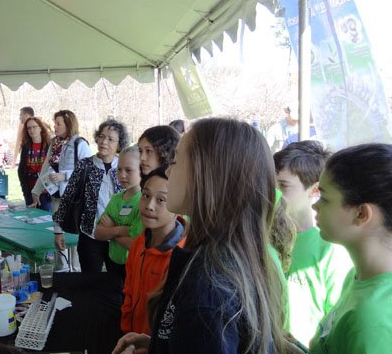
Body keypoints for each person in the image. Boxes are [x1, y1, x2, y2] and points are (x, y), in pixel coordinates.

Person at [113, 118, 286, 354]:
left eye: (175, 160)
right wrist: (161, 345)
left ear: (207, 176)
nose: (169, 170)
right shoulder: (220, 262)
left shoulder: (208, 292)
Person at [308, 143, 392, 352]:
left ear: (361, 214)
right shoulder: (357, 276)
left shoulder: (374, 318)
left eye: (324, 198)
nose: (314, 205)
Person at [274, 140, 353, 346]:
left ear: (315, 191)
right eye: (271, 184)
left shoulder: (331, 249)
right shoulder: (263, 238)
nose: (273, 192)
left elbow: (335, 321)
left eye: (283, 185)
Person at [53, 118, 129, 273]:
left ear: (119, 144)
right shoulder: (85, 165)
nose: (104, 142)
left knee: (118, 284)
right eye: (101, 136)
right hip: (90, 237)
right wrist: (58, 231)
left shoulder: (125, 167)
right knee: (90, 283)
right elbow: (67, 198)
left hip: (119, 239)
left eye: (110, 139)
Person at [120, 167, 186, 335]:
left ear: (178, 206)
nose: (149, 206)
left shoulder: (181, 259)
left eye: (161, 200)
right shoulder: (138, 244)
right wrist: (126, 329)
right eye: (146, 196)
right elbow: (128, 291)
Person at [30, 110, 91, 270]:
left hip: (75, 199)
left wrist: (64, 176)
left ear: (68, 124)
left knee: (75, 236)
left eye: (59, 124)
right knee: (58, 234)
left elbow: (87, 170)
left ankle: (76, 270)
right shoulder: (54, 143)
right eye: (54, 123)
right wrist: (36, 190)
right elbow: (46, 167)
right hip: (57, 197)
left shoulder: (80, 144)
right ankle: (62, 269)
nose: (55, 127)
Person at [93, 145, 143, 278]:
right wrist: (120, 230)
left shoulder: (143, 201)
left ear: (142, 170)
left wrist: (110, 230)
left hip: (133, 265)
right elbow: (97, 233)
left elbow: (135, 244)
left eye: (129, 170)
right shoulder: (116, 198)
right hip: (113, 262)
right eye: (119, 169)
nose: (122, 175)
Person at [18, 116, 51, 211]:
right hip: (30, 190)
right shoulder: (26, 147)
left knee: (46, 219)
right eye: (29, 128)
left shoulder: (49, 145)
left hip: (46, 190)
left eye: (34, 127)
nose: (31, 130)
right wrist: (26, 192)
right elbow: (21, 170)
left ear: (40, 128)